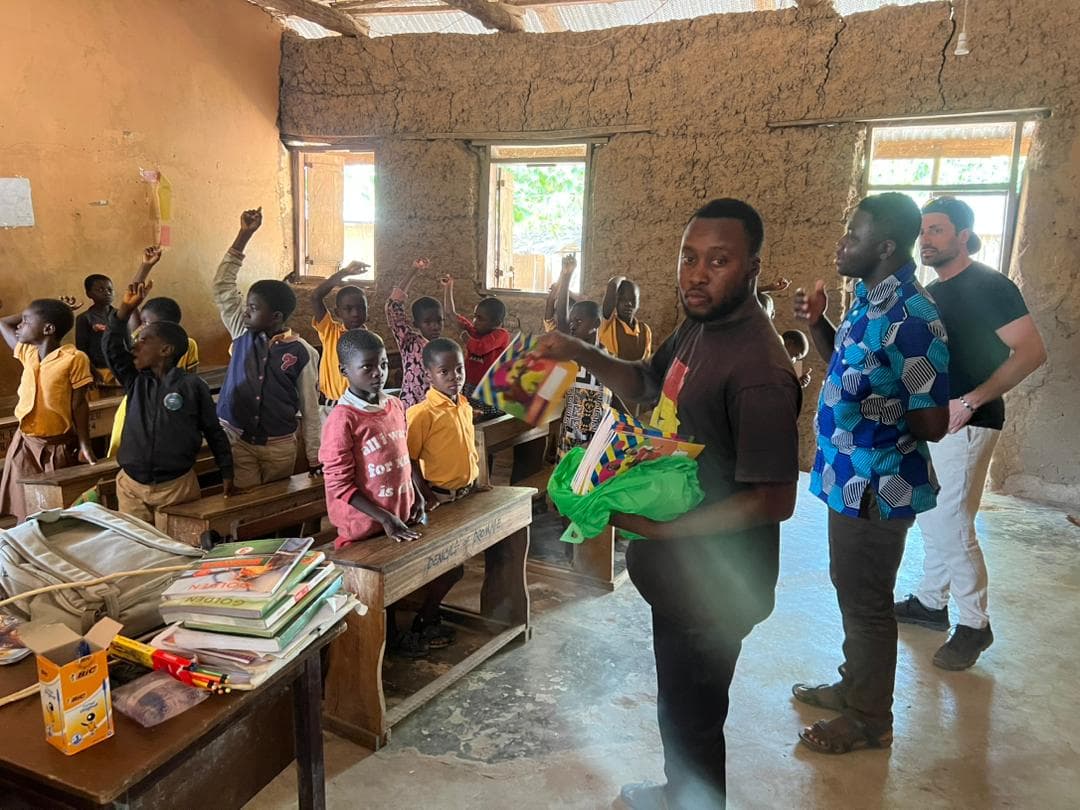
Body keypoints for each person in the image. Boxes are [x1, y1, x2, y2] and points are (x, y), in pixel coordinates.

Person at [535, 198, 801, 809]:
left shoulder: (760, 369)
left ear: (752, 267)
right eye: (689, 257)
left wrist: (659, 530)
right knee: (679, 704)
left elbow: (775, 500)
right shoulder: (698, 327)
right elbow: (647, 384)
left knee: (696, 715)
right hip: (683, 577)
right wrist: (580, 353)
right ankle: (677, 791)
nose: (697, 274)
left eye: (719, 260)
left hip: (720, 582)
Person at [791, 192, 950, 755]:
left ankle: (869, 719)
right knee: (851, 590)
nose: (841, 244)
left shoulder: (912, 317)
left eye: (853, 237)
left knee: (868, 602)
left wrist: (874, 408)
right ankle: (853, 684)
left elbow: (931, 421)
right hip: (845, 477)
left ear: (884, 248)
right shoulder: (868, 299)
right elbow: (847, 365)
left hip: (880, 485)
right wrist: (819, 325)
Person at [894, 197, 1047, 670]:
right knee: (939, 518)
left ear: (963, 235)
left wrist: (970, 401)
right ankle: (930, 601)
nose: (927, 240)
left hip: (968, 420)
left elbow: (1031, 352)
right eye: (923, 232)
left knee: (952, 524)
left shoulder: (989, 286)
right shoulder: (937, 291)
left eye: (937, 230)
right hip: (938, 420)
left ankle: (975, 625)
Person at [318, 329, 436, 657]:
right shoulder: (342, 420)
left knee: (397, 584)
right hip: (364, 527)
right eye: (367, 368)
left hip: (395, 518)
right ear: (345, 371)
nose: (378, 374)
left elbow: (403, 457)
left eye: (383, 365)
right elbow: (340, 484)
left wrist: (418, 494)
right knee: (372, 593)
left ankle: (395, 639)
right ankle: (380, 649)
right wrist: (384, 517)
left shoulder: (395, 405)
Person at [103, 281, 234, 527]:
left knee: (180, 547)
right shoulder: (135, 381)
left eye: (144, 341)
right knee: (138, 547)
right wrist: (122, 312)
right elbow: (111, 348)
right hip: (132, 485)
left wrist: (226, 471)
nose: (135, 346)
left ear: (165, 350)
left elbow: (213, 431)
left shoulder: (192, 386)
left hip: (176, 487)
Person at [213, 207, 322, 489]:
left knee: (272, 505)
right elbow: (222, 285)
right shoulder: (241, 331)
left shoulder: (302, 352)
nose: (246, 312)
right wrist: (244, 235)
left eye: (253, 308)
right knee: (244, 505)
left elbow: (310, 409)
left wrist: (314, 456)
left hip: (279, 446)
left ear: (275, 317)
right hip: (237, 439)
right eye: (246, 306)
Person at [404, 337, 479, 649]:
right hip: (439, 499)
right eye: (444, 372)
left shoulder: (464, 406)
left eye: (458, 370)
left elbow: (468, 450)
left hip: (464, 495)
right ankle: (422, 620)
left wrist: (475, 478)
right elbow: (407, 459)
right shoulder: (421, 414)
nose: (454, 377)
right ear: (428, 375)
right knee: (449, 567)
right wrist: (424, 494)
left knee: (454, 565)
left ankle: (429, 618)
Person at [0, 297, 96, 522]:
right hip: (24, 443)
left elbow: (79, 403)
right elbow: (3, 322)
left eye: (25, 321)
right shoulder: (27, 352)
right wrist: (56, 307)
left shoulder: (74, 358)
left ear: (48, 328)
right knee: (24, 505)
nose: (19, 326)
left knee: (55, 510)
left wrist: (85, 444)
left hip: (57, 445)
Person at [108, 247, 199, 458]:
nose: (142, 327)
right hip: (137, 406)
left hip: (171, 407)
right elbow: (131, 304)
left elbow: (192, 378)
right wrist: (145, 267)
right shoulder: (142, 341)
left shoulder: (187, 345)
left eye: (148, 323)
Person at [549, 254, 611, 457]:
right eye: (572, 321)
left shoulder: (606, 357)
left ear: (595, 324)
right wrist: (566, 277)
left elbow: (614, 395)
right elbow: (561, 317)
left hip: (599, 435)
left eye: (579, 321)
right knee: (566, 483)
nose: (573, 325)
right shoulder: (571, 351)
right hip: (571, 434)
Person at [385, 258, 445, 409]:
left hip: (435, 411)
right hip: (411, 408)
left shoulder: (444, 349)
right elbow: (392, 306)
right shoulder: (410, 341)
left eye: (439, 321)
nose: (435, 326)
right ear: (416, 324)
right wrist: (414, 270)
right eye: (428, 322)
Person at [310, 261, 370, 405]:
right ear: (337, 312)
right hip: (330, 403)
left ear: (367, 310)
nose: (355, 313)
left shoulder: (371, 341)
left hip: (358, 405)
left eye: (360, 308)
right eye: (348, 309)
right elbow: (315, 297)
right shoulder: (330, 331)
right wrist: (344, 273)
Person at [441, 275, 511, 390]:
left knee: (482, 409)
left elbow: (480, 348)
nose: (475, 321)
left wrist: (464, 335)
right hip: (469, 384)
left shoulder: (501, 335)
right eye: (474, 317)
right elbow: (450, 314)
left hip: (488, 388)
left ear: (496, 322)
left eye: (480, 318)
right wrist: (448, 288)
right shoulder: (474, 331)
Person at [75, 272, 120, 396]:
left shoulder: (120, 315)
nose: (107, 292)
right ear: (89, 294)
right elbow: (82, 350)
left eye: (110, 289)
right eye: (100, 289)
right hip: (99, 370)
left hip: (120, 367)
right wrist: (92, 371)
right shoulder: (84, 318)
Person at [599, 273, 653, 361]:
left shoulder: (645, 330)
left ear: (638, 303)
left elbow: (646, 364)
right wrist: (623, 278)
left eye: (632, 299)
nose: (628, 304)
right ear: (615, 302)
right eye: (622, 299)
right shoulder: (607, 324)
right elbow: (613, 285)